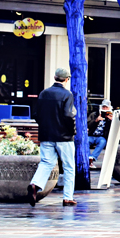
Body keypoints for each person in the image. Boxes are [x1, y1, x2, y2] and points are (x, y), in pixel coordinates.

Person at [28, 67, 77, 207]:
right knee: (69, 167)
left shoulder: (44, 93)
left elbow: (36, 115)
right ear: (66, 79)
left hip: (46, 135)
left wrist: (45, 126)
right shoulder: (67, 94)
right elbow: (68, 116)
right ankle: (67, 197)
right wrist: (72, 131)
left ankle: (35, 184)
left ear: (55, 77)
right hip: (64, 137)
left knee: (46, 162)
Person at [88, 100, 113, 168]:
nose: (104, 109)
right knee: (86, 141)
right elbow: (88, 125)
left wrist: (112, 121)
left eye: (106, 107)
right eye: (103, 107)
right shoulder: (94, 114)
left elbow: (113, 129)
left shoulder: (111, 116)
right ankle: (88, 159)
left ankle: (92, 158)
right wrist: (96, 120)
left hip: (101, 137)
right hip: (91, 135)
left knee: (103, 142)